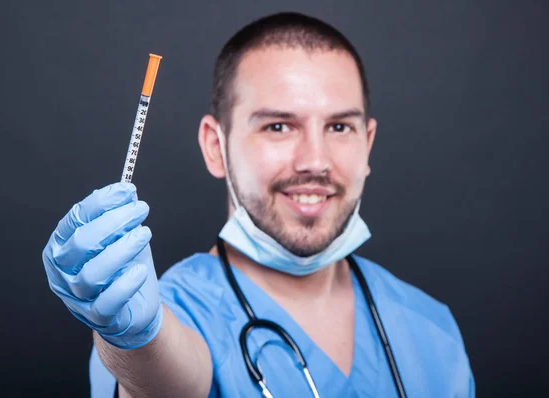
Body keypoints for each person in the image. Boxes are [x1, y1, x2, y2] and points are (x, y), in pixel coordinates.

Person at [42, 12, 475, 398]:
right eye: (279, 125)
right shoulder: (167, 309)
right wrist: (135, 340)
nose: (315, 161)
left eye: (340, 126)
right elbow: (168, 382)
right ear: (216, 147)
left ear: (368, 144)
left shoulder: (432, 330)